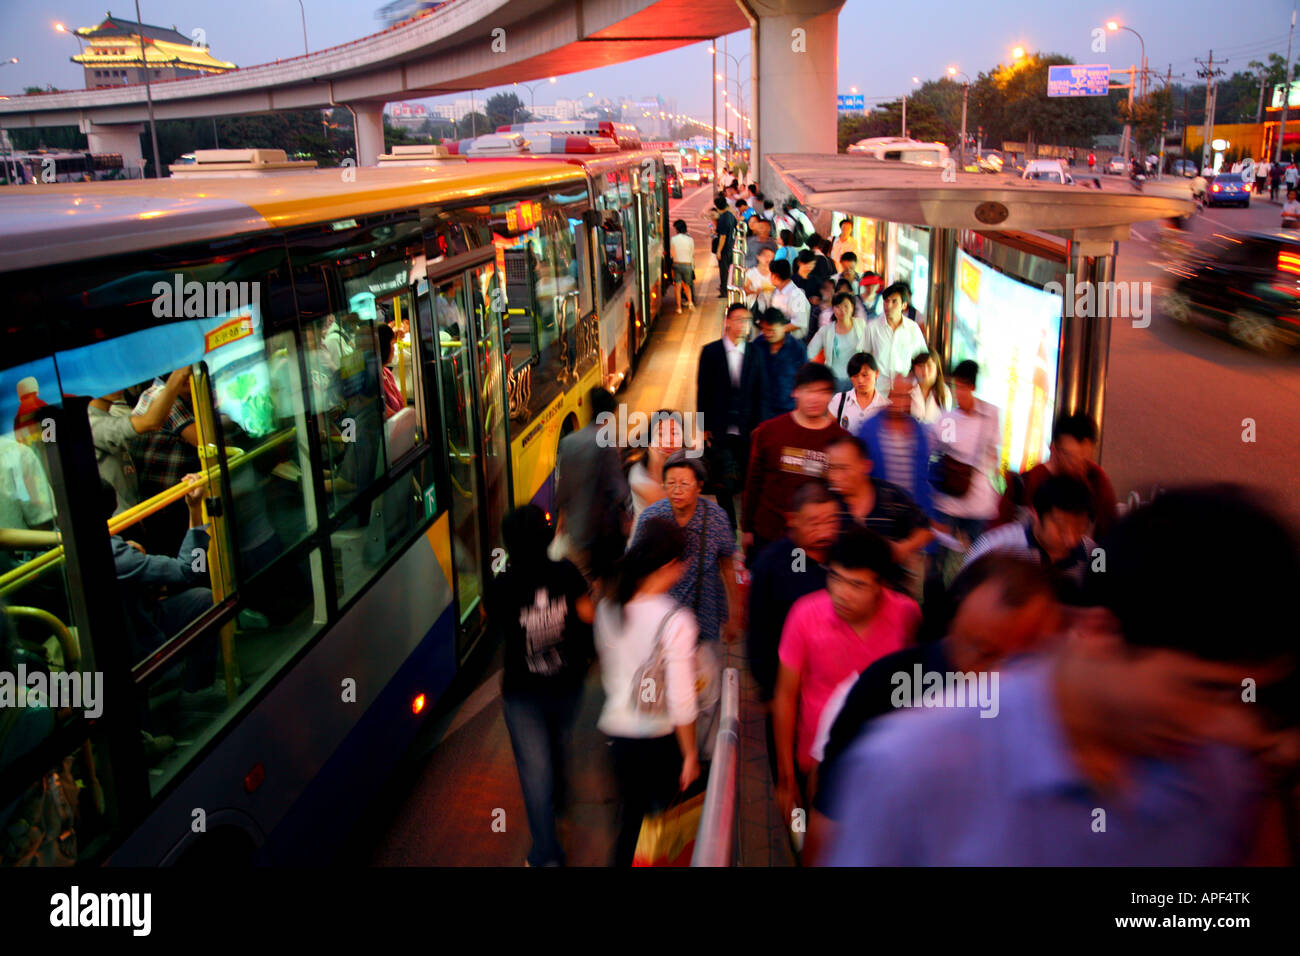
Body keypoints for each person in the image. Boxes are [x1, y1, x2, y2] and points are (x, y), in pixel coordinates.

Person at [824, 485, 1300, 865]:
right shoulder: (915, 767)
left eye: (1245, 696)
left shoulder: (1226, 778)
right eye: (1204, 689)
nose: (1223, 724)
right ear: (1101, 632)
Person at [808, 554, 1060, 863]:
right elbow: (831, 813)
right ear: (953, 623)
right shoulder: (885, 688)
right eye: (982, 653)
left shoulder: (1055, 715)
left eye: (1022, 663)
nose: (999, 680)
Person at [773, 527, 921, 823]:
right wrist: (786, 776)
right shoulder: (804, 614)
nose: (842, 593)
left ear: (881, 585)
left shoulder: (907, 615)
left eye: (857, 585)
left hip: (879, 766)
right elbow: (785, 697)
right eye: (836, 578)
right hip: (815, 764)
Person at [489, 505, 594, 868]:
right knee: (558, 743)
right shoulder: (566, 573)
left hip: (523, 694)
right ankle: (562, 799)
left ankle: (547, 855)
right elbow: (588, 616)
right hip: (568, 685)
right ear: (547, 537)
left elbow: (493, 619)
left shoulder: (502, 586)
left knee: (535, 774)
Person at [594, 518, 700, 867]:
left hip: (616, 739)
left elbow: (610, 671)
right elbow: (683, 702)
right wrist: (690, 755)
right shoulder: (677, 621)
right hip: (657, 743)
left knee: (629, 827)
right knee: (657, 838)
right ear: (670, 565)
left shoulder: (608, 605)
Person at [104, 476, 222, 708]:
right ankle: (197, 687)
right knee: (205, 600)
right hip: (138, 634)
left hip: (119, 629)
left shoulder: (60, 541)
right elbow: (191, 569)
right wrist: (195, 509)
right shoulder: (120, 558)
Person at [631, 452, 742, 645]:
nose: (677, 490)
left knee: (705, 673)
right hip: (661, 617)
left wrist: (734, 614)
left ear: (699, 487)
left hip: (704, 616)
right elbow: (635, 567)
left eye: (684, 484)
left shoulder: (716, 518)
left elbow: (728, 565)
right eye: (671, 483)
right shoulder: (651, 519)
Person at [741, 362, 847, 563]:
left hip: (814, 544)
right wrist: (746, 529)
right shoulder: (768, 432)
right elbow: (753, 482)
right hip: (769, 534)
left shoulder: (841, 440)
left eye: (822, 391)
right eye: (808, 390)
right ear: (795, 392)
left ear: (831, 396)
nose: (815, 398)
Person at [746, 481, 839, 706]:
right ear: (792, 520)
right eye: (814, 523)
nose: (824, 531)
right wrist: (769, 689)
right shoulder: (771, 563)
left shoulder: (844, 556)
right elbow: (759, 631)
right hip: (787, 685)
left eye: (830, 521)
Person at [963, 472, 1097, 603]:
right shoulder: (994, 547)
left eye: (1080, 529)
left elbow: (1103, 592)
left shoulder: (1096, 553)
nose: (1071, 539)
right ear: (1036, 514)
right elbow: (963, 596)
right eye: (1061, 528)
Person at [825, 434, 933, 595]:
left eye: (843, 468)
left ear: (865, 466)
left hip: (888, 593)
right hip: (840, 596)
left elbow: (926, 530)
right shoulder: (827, 501)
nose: (835, 476)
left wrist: (903, 548)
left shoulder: (890, 496)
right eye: (832, 468)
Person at [697, 304, 768, 527]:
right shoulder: (711, 352)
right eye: (738, 319)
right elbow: (703, 391)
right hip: (720, 427)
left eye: (747, 320)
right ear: (727, 321)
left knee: (748, 476)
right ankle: (729, 524)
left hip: (748, 428)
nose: (743, 325)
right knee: (721, 478)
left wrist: (761, 425)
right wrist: (704, 427)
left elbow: (762, 392)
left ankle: (748, 522)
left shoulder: (755, 353)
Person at [993, 412, 1117, 539]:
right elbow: (995, 535)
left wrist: (1098, 559)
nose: (1078, 466)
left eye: (1085, 461)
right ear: (1054, 450)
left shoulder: (1097, 480)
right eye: (1070, 458)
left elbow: (1107, 535)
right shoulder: (1028, 483)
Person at [88, 367, 191, 519]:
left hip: (133, 514)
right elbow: (150, 422)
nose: (117, 383)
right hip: (119, 522)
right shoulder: (92, 423)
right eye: (106, 377)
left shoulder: (106, 416)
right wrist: (178, 376)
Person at [554, 387, 631, 583]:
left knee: (581, 582)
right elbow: (619, 490)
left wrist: (562, 521)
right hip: (600, 534)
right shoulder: (605, 444)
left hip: (575, 532)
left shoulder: (568, 442)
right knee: (603, 585)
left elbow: (562, 489)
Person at [929, 360, 1001, 548]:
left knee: (977, 558)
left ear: (973, 387)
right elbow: (937, 448)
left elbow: (994, 454)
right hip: (949, 501)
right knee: (941, 558)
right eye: (955, 387)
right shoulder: (949, 419)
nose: (957, 393)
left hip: (979, 503)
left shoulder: (990, 414)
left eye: (962, 387)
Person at [859, 377, 934, 520]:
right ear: (888, 396)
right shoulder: (870, 429)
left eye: (906, 396)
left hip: (912, 511)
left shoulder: (918, 431)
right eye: (896, 395)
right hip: (880, 511)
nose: (900, 402)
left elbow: (923, 476)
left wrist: (926, 512)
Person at [862, 282, 928, 395]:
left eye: (894, 301)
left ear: (904, 305)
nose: (889, 306)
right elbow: (864, 357)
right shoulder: (872, 327)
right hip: (879, 391)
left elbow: (922, 358)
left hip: (906, 390)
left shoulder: (913, 328)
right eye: (886, 301)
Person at [628, 410, 684, 521]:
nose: (669, 440)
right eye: (661, 434)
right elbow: (664, 506)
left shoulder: (683, 466)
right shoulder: (639, 473)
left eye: (674, 433)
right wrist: (656, 464)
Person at [807, 294, 868, 392]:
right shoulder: (826, 330)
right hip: (835, 380)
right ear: (833, 309)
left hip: (857, 379)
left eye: (846, 306)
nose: (842, 310)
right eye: (837, 306)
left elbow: (869, 350)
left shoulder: (861, 325)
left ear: (852, 307)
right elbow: (810, 352)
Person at [829, 351, 888, 435]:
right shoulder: (839, 400)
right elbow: (828, 433)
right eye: (855, 376)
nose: (860, 381)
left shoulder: (885, 407)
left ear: (876, 373)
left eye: (865, 375)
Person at [769, 259, 811, 340]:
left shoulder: (797, 295)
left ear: (775, 276)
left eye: (771, 274)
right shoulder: (777, 291)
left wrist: (774, 331)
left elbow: (798, 323)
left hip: (794, 342)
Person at [376, 324, 404, 420]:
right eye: (392, 344)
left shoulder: (386, 372)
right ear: (384, 347)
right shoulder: (373, 378)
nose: (394, 348)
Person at [668, 219, 696, 313]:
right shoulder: (690, 239)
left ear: (677, 229)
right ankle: (690, 302)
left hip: (677, 264)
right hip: (687, 265)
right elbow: (692, 253)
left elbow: (672, 253)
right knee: (687, 285)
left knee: (677, 287)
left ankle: (679, 308)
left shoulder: (673, 239)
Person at [713, 195, 737, 298]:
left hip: (725, 249)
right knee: (729, 270)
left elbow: (723, 236)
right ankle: (727, 288)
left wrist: (718, 251)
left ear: (717, 207)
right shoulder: (731, 216)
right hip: (731, 246)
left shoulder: (723, 218)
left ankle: (724, 291)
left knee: (724, 271)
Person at [742, 245, 776, 312]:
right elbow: (744, 290)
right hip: (756, 307)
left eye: (770, 256)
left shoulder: (774, 273)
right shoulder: (751, 273)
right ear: (758, 257)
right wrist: (754, 292)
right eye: (765, 256)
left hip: (770, 307)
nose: (768, 259)